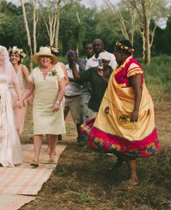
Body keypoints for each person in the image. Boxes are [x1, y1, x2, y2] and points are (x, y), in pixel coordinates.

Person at [82, 40, 160, 186]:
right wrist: (101, 76)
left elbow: (138, 90)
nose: (114, 56)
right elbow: (114, 85)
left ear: (120, 52)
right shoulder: (119, 66)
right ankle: (121, 159)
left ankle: (133, 177)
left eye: (115, 53)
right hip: (119, 111)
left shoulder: (133, 66)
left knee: (126, 141)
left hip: (132, 111)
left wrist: (135, 110)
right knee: (107, 136)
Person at [22, 46, 66, 167]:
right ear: (39, 59)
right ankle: (35, 158)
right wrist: (21, 99)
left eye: (47, 57)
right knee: (38, 131)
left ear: (51, 59)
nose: (45, 59)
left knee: (52, 131)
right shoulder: (35, 71)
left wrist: (57, 102)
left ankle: (52, 153)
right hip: (39, 106)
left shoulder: (57, 70)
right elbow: (30, 89)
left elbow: (62, 88)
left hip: (53, 105)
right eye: (42, 57)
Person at [69, 39, 112, 120]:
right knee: (91, 130)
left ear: (108, 62)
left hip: (107, 107)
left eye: (104, 62)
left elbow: (113, 84)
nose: (102, 64)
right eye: (100, 61)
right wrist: (73, 62)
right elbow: (77, 76)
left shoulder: (112, 72)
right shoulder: (92, 71)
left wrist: (102, 77)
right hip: (94, 107)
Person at [64, 50, 86, 145]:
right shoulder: (63, 67)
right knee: (59, 116)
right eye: (69, 57)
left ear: (76, 57)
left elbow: (81, 81)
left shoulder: (79, 67)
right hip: (64, 95)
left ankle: (80, 137)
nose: (71, 59)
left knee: (78, 119)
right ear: (67, 58)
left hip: (76, 95)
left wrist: (70, 79)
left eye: (73, 57)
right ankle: (56, 135)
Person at [9, 46, 30, 138]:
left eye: (16, 56)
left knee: (18, 120)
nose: (14, 58)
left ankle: (16, 141)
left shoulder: (23, 68)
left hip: (20, 96)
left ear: (20, 58)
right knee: (9, 120)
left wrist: (29, 97)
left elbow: (29, 84)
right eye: (12, 55)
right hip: (8, 96)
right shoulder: (6, 68)